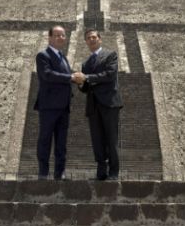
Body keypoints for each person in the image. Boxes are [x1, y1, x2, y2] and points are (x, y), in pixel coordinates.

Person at [74, 29, 124, 180]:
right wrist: (80, 84)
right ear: (86, 42)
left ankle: (114, 172)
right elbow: (87, 88)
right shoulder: (86, 63)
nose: (92, 40)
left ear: (100, 39)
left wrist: (86, 77)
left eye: (94, 37)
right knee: (97, 139)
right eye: (88, 38)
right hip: (94, 105)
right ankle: (101, 170)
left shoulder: (110, 55)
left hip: (109, 103)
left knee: (111, 138)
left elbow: (109, 75)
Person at [34, 25, 81, 180]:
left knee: (61, 142)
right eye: (57, 35)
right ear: (49, 37)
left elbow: (66, 75)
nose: (61, 38)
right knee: (45, 139)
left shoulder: (63, 57)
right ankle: (43, 172)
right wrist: (70, 77)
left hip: (63, 106)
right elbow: (48, 74)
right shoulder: (43, 55)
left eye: (63, 35)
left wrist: (78, 76)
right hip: (48, 105)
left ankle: (59, 172)